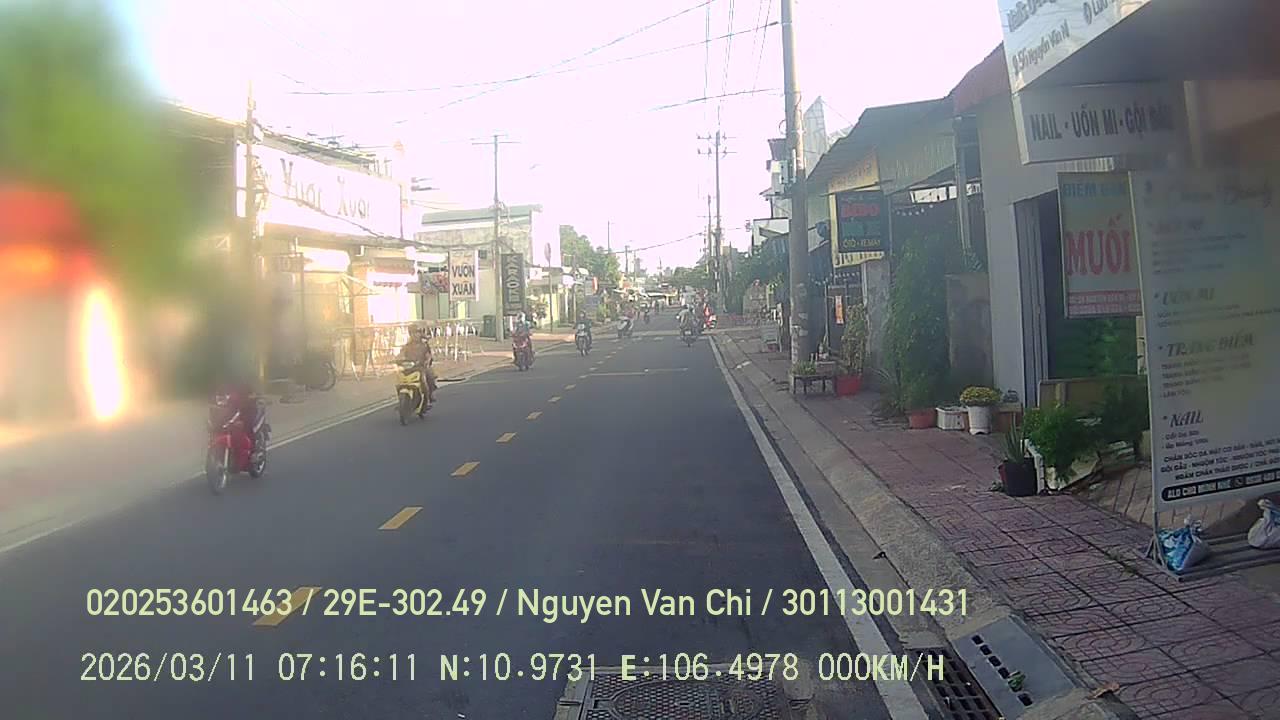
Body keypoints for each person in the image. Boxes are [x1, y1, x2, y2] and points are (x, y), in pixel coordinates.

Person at [397, 326, 437, 403]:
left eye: (416, 332)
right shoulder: (407, 346)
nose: (414, 335)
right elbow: (401, 355)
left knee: (427, 378)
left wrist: (427, 361)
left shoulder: (424, 345)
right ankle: (402, 400)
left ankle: (428, 397)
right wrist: (397, 361)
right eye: (412, 333)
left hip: (421, 367)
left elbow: (428, 356)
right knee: (399, 381)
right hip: (409, 368)